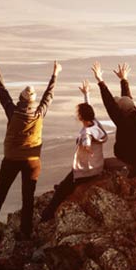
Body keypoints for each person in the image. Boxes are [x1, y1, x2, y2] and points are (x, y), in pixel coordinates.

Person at [0, 58, 60, 243]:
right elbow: (49, 95)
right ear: (32, 101)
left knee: (0, 192)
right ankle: (25, 232)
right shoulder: (39, 114)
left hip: (11, 159)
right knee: (27, 197)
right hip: (32, 161)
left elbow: (2, 93)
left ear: (21, 99)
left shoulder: (13, 112)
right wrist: (55, 74)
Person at [40, 80, 111, 222]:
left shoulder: (86, 132)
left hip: (86, 171)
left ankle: (46, 215)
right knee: (65, 182)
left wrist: (87, 147)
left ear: (80, 117)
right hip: (97, 166)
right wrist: (86, 94)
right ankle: (65, 185)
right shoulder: (96, 124)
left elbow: (86, 140)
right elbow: (89, 111)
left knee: (61, 191)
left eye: (77, 112)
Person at [91, 62, 136, 174]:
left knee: (98, 165)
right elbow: (127, 100)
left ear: (121, 111)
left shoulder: (123, 122)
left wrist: (100, 81)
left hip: (126, 163)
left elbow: (109, 104)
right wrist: (123, 79)